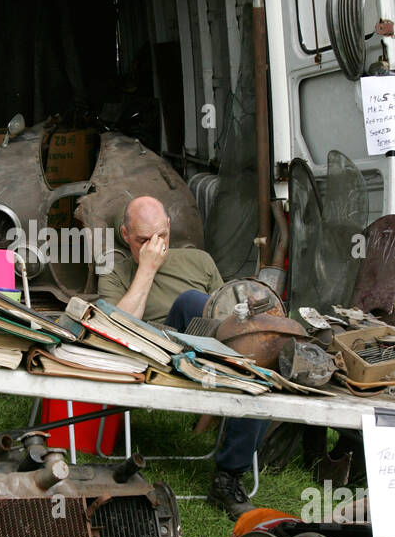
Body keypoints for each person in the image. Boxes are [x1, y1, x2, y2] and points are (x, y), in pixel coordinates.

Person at [97, 194, 267, 518]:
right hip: (152, 354)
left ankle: (228, 477)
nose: (155, 245)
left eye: (161, 236)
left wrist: (206, 420)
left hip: (207, 355)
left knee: (255, 358)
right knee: (190, 301)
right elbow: (113, 329)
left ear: (170, 227)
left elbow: (227, 320)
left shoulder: (199, 261)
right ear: (125, 236)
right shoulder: (115, 269)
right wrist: (146, 269)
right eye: (143, 240)